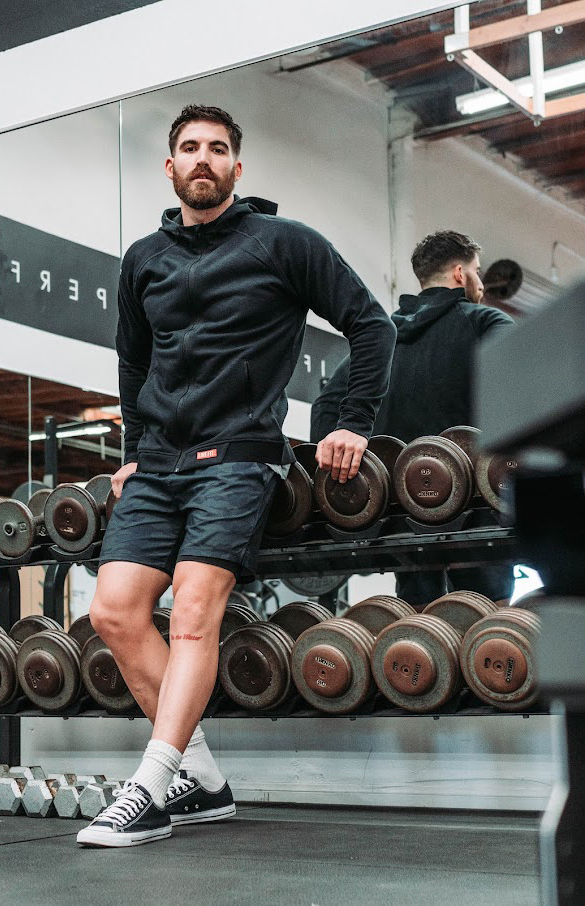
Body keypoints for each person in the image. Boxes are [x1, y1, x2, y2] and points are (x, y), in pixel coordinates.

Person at [77, 105, 396, 847]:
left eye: (217, 149)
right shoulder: (142, 258)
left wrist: (352, 421)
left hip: (240, 455)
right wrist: (132, 448)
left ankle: (150, 786)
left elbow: (370, 324)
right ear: (170, 166)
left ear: (236, 168)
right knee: (114, 613)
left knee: (192, 612)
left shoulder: (284, 243)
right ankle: (204, 779)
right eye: (189, 147)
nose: (203, 159)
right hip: (157, 466)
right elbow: (133, 360)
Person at [310, 230, 515, 608]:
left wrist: (334, 486)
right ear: (459, 274)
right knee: (490, 625)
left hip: (405, 514)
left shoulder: (384, 336)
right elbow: (526, 381)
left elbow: (326, 406)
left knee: (420, 627)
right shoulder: (484, 322)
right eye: (478, 272)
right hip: (478, 511)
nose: (481, 284)